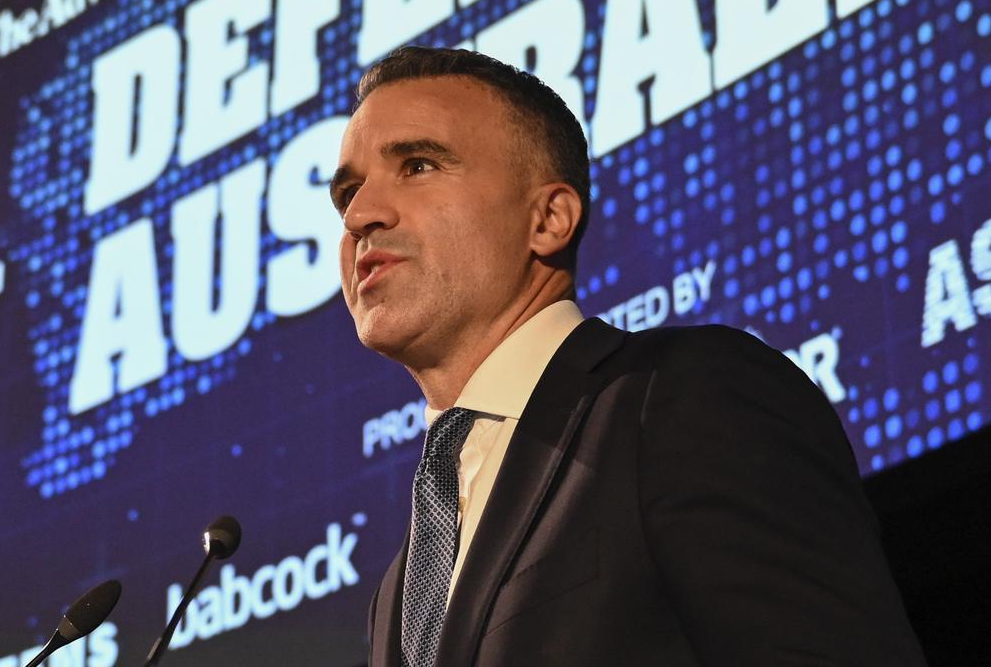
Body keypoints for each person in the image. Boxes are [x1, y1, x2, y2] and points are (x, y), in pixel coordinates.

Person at [331, 46, 925, 666]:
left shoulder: (685, 398)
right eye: (348, 194)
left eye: (419, 165)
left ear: (549, 219)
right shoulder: (399, 586)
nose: (362, 216)